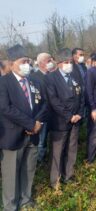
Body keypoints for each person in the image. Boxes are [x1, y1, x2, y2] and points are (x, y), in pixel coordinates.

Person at [0, 44, 48, 210]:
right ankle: (11, 206)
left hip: (33, 134)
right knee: (11, 174)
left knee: (28, 169)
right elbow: (5, 108)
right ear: (12, 63)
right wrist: (30, 123)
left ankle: (25, 200)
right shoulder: (4, 82)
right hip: (13, 136)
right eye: (23, 61)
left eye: (28, 61)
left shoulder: (34, 81)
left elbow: (43, 104)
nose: (26, 65)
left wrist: (38, 123)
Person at [45, 48, 84, 188]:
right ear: (59, 63)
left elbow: (81, 95)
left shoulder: (75, 75)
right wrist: (69, 116)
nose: (69, 65)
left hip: (76, 119)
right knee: (58, 151)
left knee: (72, 148)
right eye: (66, 62)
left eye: (70, 62)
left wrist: (79, 113)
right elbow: (54, 101)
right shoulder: (51, 78)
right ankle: (55, 181)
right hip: (60, 121)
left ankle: (69, 175)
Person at [30, 53, 54, 162]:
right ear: (40, 63)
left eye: (51, 60)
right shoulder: (34, 77)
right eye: (48, 61)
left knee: (50, 138)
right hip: (42, 114)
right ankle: (40, 161)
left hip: (53, 113)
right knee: (41, 140)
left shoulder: (52, 75)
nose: (51, 62)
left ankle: (48, 157)